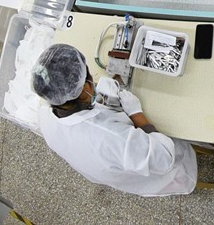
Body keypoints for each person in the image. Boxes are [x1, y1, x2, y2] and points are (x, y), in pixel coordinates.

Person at [31, 44, 197, 197]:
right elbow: (164, 157)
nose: (92, 81)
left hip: (106, 169)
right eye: (88, 78)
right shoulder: (112, 139)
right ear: (82, 92)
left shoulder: (44, 115)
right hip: (166, 173)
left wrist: (104, 103)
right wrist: (136, 113)